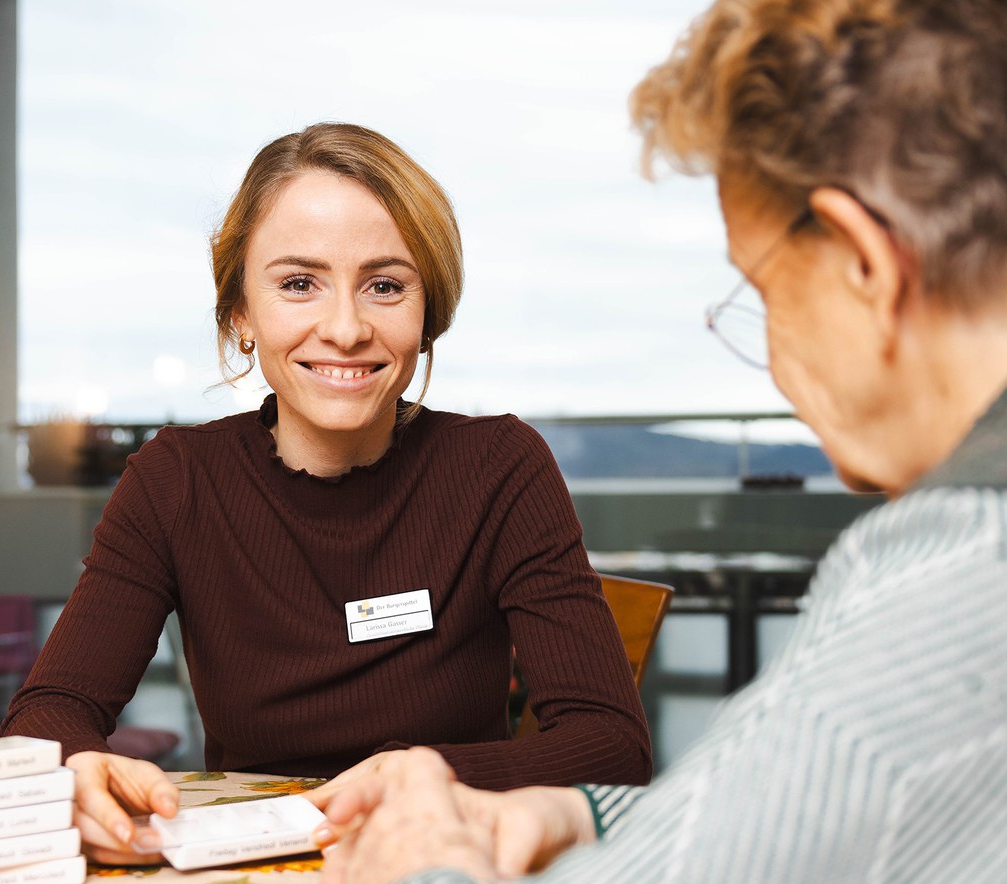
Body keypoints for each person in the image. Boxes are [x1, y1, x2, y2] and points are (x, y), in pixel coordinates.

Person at [310, 1, 1007, 881]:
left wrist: (422, 861)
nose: (778, 365)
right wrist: (583, 812)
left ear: (864, 265)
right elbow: (817, 814)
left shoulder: (959, 568)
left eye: (763, 294)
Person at [0, 122, 651, 865]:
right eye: (299, 284)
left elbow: (614, 750)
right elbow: (48, 715)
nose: (345, 328)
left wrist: (423, 775)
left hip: (437, 863)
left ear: (426, 313)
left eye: (385, 286)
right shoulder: (175, 480)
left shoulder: (500, 467)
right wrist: (74, 767)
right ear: (241, 314)